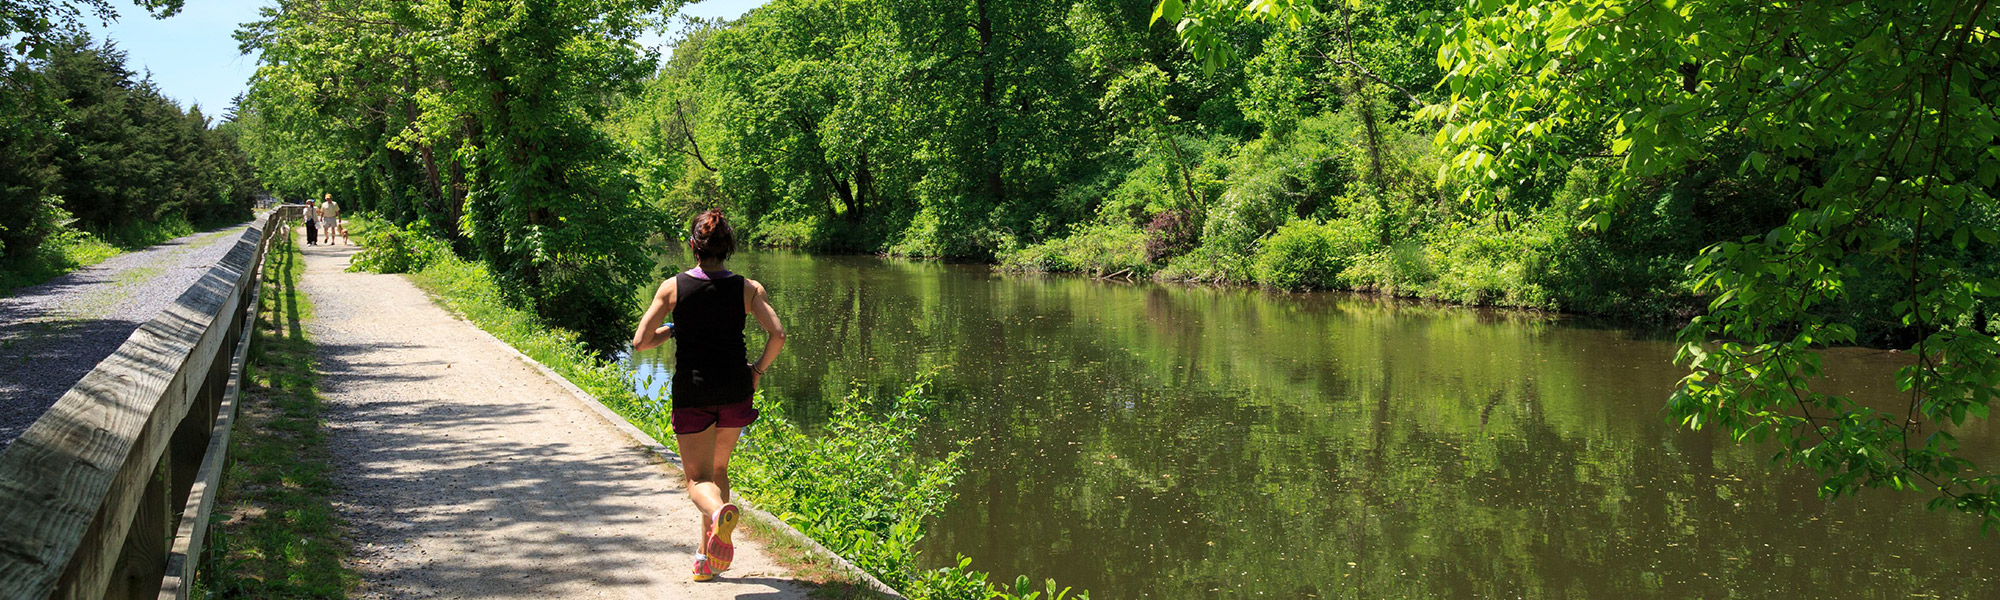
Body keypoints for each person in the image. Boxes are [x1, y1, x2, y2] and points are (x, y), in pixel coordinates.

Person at [630, 209, 785, 582]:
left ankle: (718, 517)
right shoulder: (748, 288)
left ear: (693, 246)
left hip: (694, 394)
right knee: (718, 471)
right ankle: (706, 558)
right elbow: (778, 335)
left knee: (698, 481)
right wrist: (757, 372)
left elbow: (640, 342)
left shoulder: (672, 287)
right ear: (728, 247)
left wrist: (672, 328)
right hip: (735, 391)